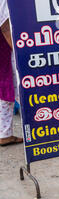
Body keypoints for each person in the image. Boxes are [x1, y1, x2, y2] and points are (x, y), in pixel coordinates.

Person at [0, 0, 22, 146]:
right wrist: (18, 50)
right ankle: (39, 130)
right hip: (7, 46)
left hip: (5, 46)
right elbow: (5, 25)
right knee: (20, 85)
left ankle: (4, 133)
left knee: (5, 88)